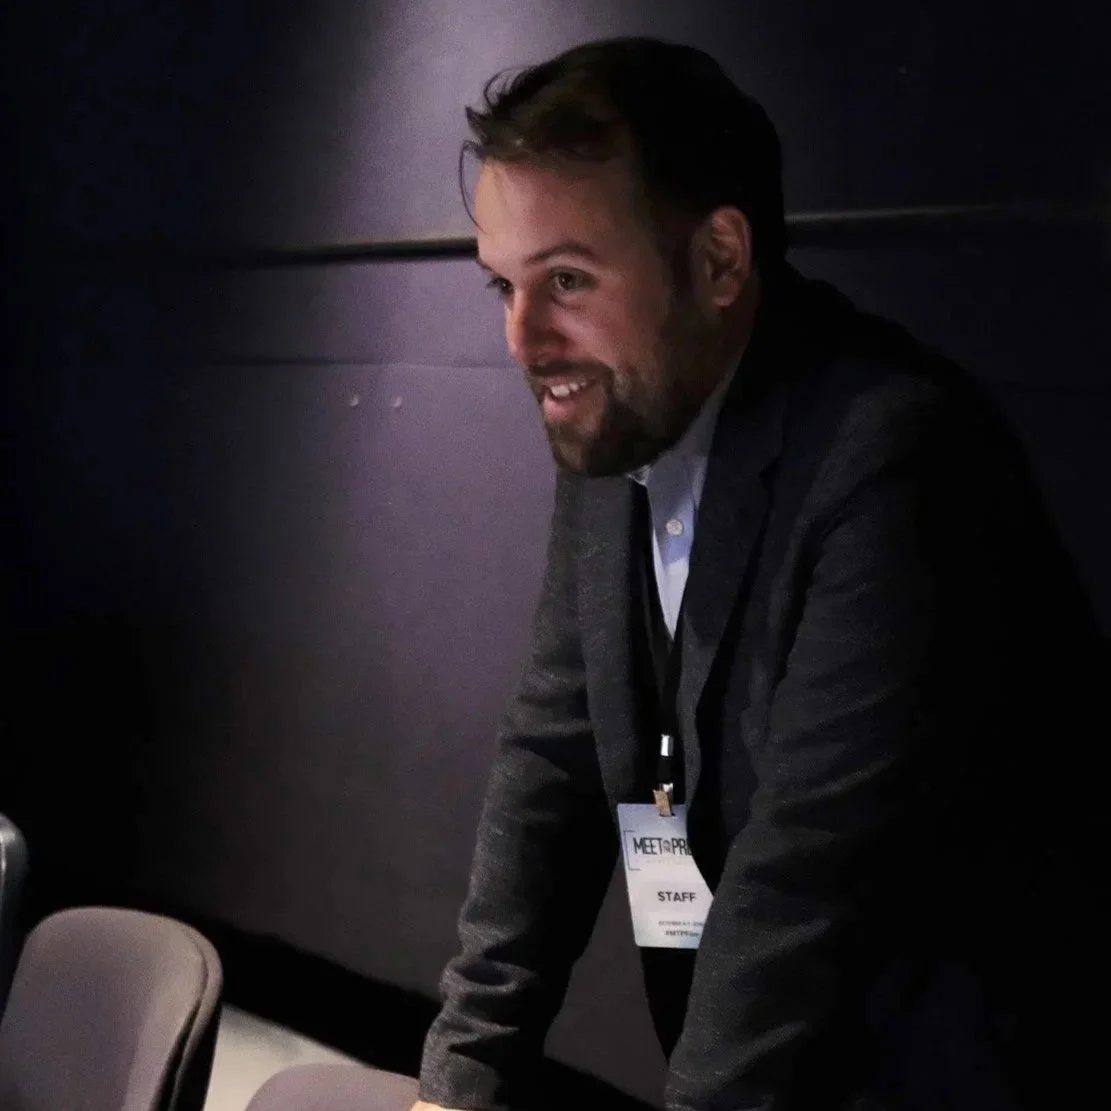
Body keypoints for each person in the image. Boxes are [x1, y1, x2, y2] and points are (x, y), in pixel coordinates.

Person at [411, 36, 1107, 1111]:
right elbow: (554, 757)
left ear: (720, 261)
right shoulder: (619, 419)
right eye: (504, 283)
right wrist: (461, 1081)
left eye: (567, 280)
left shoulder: (893, 459)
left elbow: (803, 876)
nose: (522, 337)